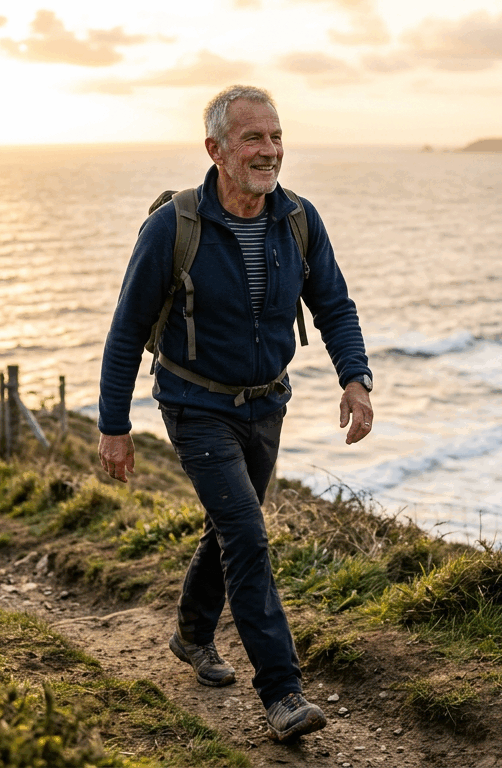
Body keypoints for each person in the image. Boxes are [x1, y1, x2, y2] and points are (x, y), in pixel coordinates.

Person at [96, 84, 374, 743]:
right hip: (195, 405)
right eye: (254, 138)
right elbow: (127, 330)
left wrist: (355, 379)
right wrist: (114, 424)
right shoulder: (175, 227)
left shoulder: (299, 220)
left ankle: (193, 635)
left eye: (276, 136)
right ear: (215, 149)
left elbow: (333, 304)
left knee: (231, 529)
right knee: (247, 534)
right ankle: (282, 694)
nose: (270, 150)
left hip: (267, 404)